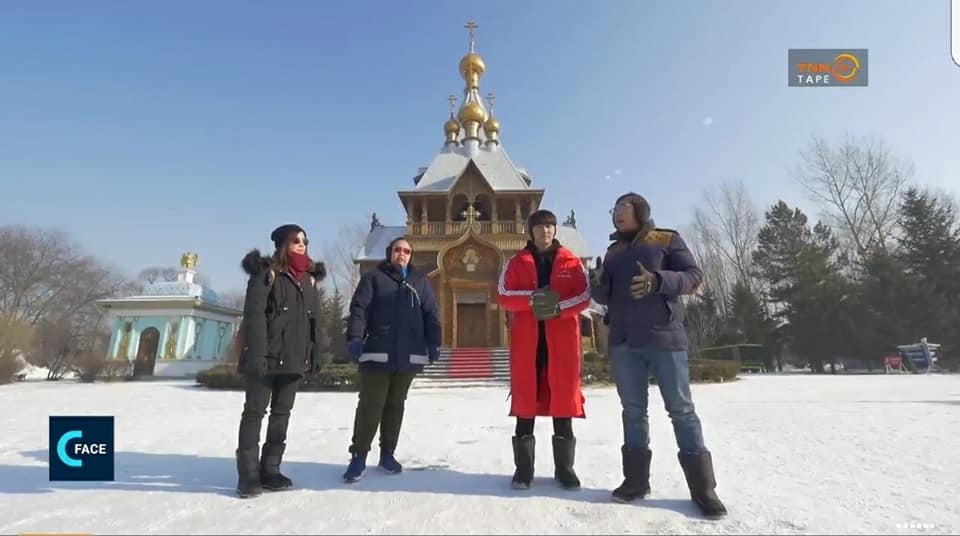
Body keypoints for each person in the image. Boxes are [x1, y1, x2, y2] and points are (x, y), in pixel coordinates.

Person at [589, 192, 727, 519]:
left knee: (681, 410)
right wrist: (598, 283)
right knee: (633, 411)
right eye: (614, 208)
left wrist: (658, 281)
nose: (617, 213)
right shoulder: (613, 252)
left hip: (664, 337)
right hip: (624, 341)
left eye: (623, 207)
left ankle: (703, 489)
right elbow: (604, 297)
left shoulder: (666, 239)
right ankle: (636, 482)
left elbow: (694, 276)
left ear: (640, 210)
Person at [496, 210, 592, 490]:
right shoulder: (516, 262)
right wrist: (533, 300)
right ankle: (524, 470)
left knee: (563, 402)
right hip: (528, 344)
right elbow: (503, 294)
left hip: (561, 344)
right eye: (539, 226)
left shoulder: (571, 261)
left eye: (550, 226)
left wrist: (558, 307)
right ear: (531, 231)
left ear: (555, 230)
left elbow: (584, 296)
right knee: (525, 404)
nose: (545, 230)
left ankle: (565, 469)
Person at [235, 224, 326, 498]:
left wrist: (316, 351)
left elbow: (315, 320)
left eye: (305, 241)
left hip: (294, 359)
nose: (301, 245)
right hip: (266, 358)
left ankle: (270, 470)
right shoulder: (267, 273)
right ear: (282, 244)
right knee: (254, 413)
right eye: (296, 240)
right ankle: (248, 475)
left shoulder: (309, 279)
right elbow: (254, 316)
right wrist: (257, 355)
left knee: (281, 415)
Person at [342, 236, 442, 482]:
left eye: (407, 251)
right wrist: (355, 336)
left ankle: (387, 453)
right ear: (390, 252)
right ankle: (359, 456)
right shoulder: (374, 278)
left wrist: (434, 342)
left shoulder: (420, 282)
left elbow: (431, 314)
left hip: (408, 354)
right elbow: (359, 309)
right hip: (379, 350)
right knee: (371, 405)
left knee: (396, 405)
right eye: (398, 249)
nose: (402, 254)